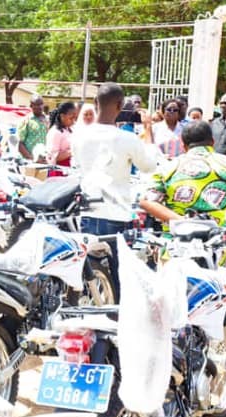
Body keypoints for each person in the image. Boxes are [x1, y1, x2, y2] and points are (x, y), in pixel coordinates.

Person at [71, 82, 158, 296]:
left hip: (87, 210)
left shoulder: (79, 135)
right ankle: (117, 315)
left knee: (89, 272)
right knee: (119, 273)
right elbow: (149, 166)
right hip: (117, 213)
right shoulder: (127, 138)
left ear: (94, 103)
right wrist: (148, 131)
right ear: (120, 105)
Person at [139, 121, 226, 229]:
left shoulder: (167, 168)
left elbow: (146, 201)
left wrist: (182, 222)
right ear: (212, 142)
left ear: (183, 145)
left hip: (177, 240)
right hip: (223, 239)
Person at [46, 101, 78, 173]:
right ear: (62, 116)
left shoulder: (70, 129)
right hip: (58, 171)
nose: (73, 121)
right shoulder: (55, 132)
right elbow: (53, 157)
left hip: (70, 170)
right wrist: (73, 150)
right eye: (71, 118)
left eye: (74, 118)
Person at [17, 96, 49, 161]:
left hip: (44, 160)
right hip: (29, 161)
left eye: (40, 104)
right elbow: (19, 142)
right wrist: (30, 157)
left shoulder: (48, 120)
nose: (39, 107)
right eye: (36, 105)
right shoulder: (26, 121)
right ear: (31, 105)